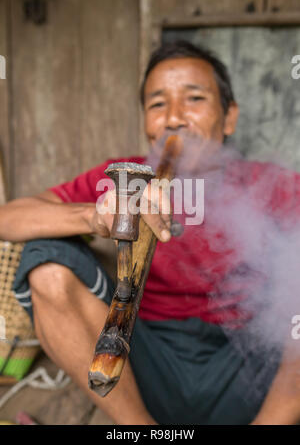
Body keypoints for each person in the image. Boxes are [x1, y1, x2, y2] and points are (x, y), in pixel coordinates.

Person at [1, 40, 300, 425]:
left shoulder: (271, 184)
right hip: (142, 366)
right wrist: (95, 217)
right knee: (46, 263)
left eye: (194, 99)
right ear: (145, 120)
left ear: (229, 118)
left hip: (248, 372)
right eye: (157, 104)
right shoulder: (125, 177)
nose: (174, 118)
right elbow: (9, 218)